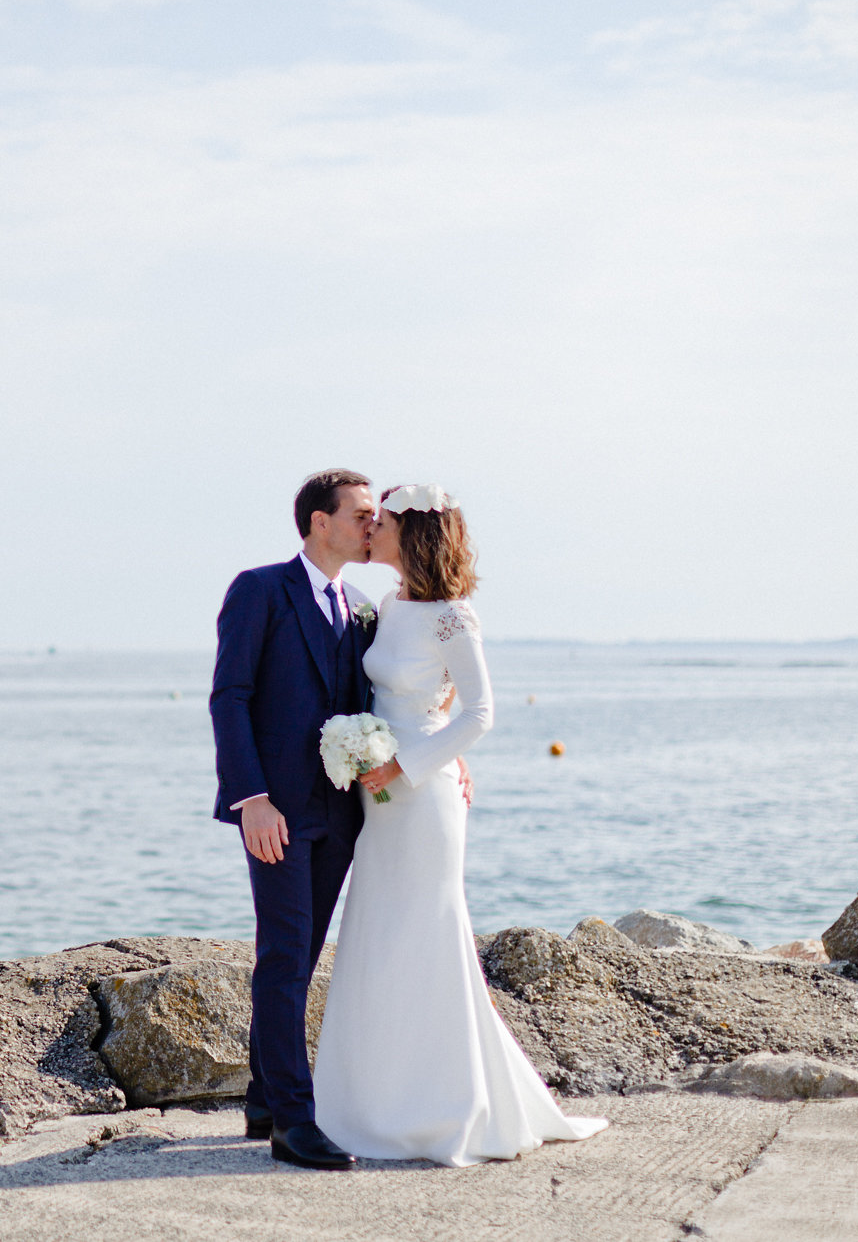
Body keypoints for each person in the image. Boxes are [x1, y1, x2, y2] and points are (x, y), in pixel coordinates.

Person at [312, 484, 608, 1165]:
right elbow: (381, 688)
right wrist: (367, 751)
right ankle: (369, 1105)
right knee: (378, 934)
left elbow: (479, 714)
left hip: (420, 795)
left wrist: (408, 764)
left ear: (411, 533)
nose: (371, 529)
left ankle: (446, 1109)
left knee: (426, 935)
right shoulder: (389, 604)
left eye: (381, 522)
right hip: (378, 790)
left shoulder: (454, 616)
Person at [208, 469, 380, 1171]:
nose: (374, 525)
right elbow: (230, 696)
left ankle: (260, 1094)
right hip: (275, 809)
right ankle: (293, 1122)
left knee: (301, 958)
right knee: (283, 953)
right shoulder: (260, 589)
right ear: (319, 520)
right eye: (363, 514)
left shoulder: (363, 606)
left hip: (338, 810)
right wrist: (251, 799)